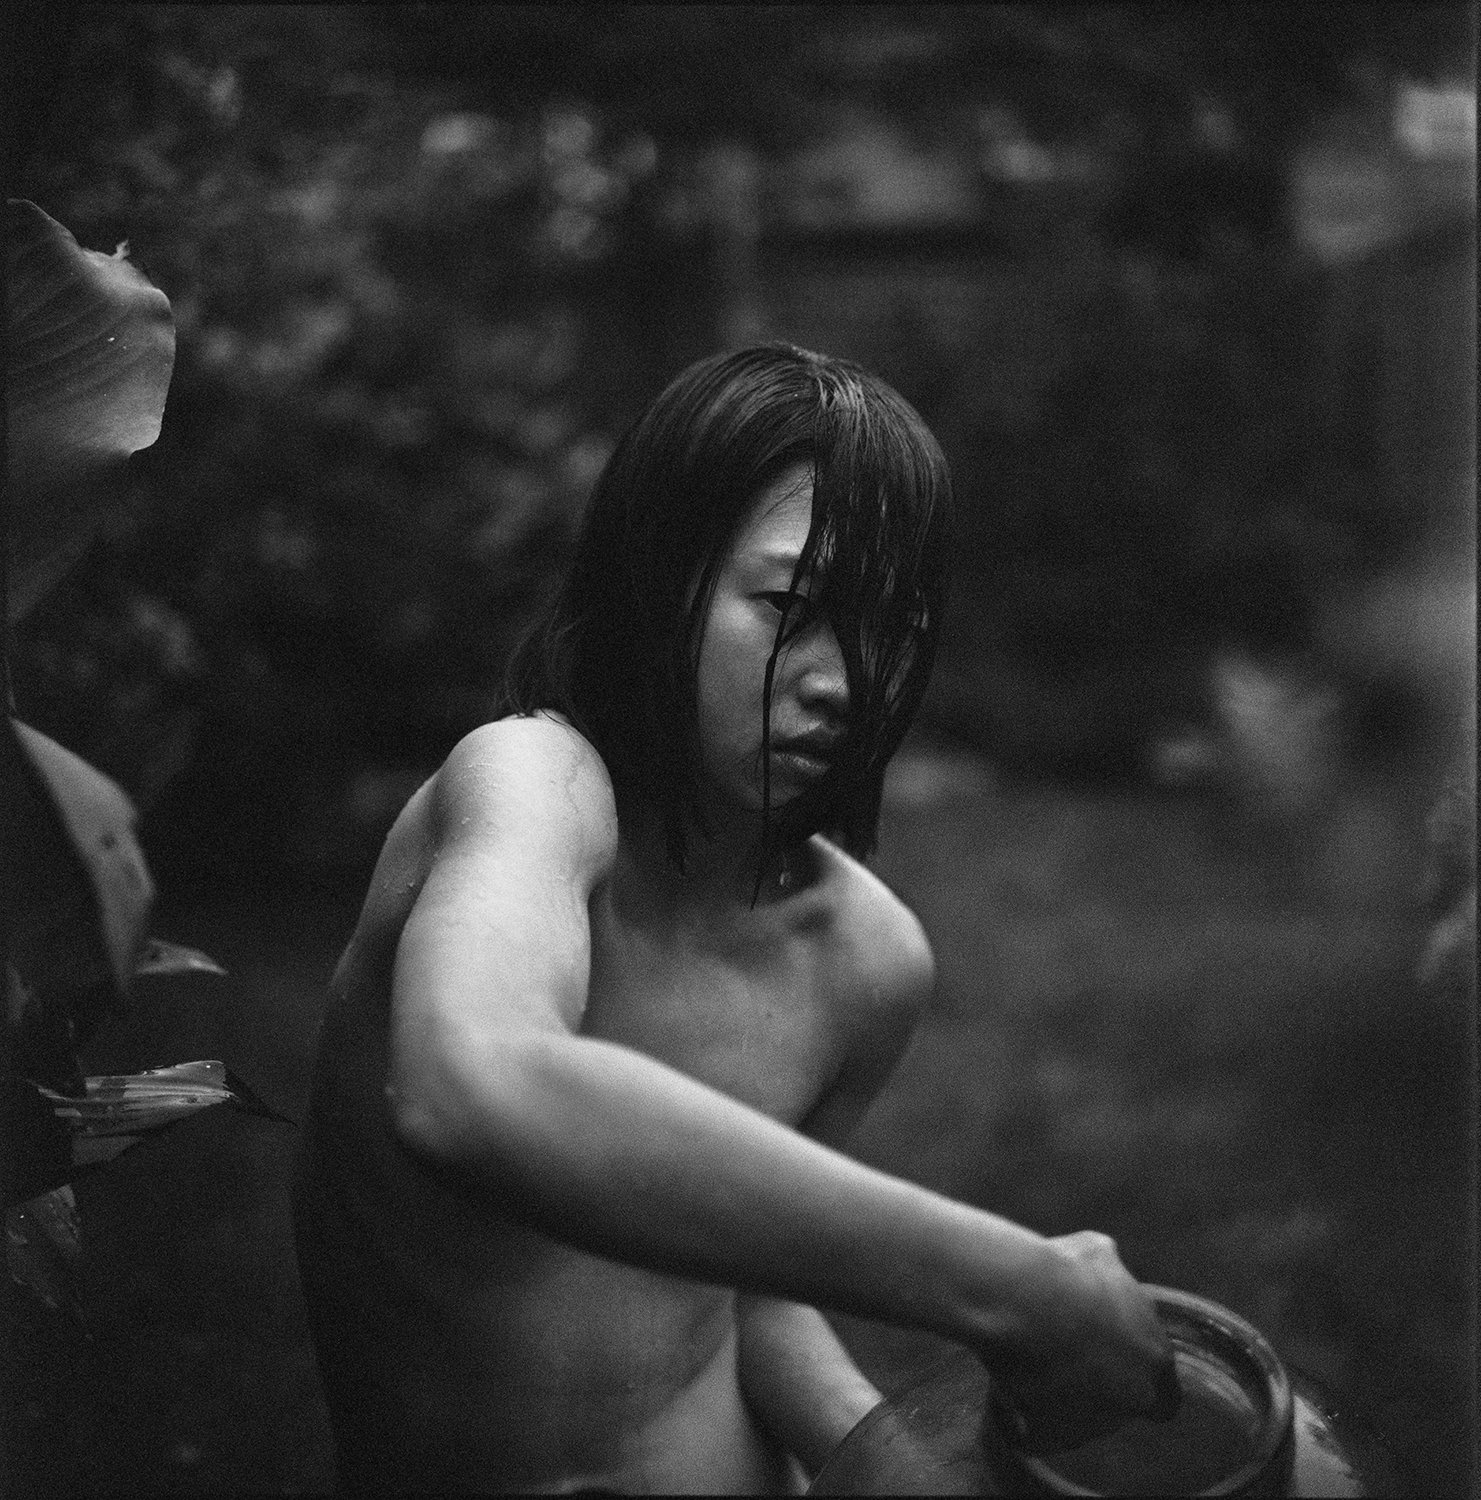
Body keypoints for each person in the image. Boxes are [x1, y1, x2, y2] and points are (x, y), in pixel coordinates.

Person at [292, 343, 1179, 1494]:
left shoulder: (863, 958)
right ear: (658, 581)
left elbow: (746, 1284)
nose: (843, 684)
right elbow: (473, 1082)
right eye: (790, 607)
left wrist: (880, 1460)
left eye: (890, 628)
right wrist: (1013, 1287)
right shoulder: (530, 791)